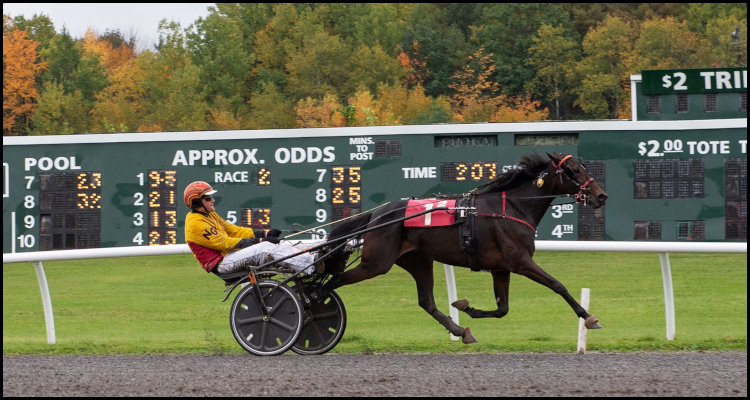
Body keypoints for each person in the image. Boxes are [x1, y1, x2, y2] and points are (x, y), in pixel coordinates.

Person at [183, 181, 320, 275]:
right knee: (265, 248)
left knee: (280, 244)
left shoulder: (210, 214)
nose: (213, 200)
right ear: (196, 202)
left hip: (230, 256)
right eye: (208, 198)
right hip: (222, 263)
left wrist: (265, 233)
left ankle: (312, 257)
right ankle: (312, 264)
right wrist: (259, 241)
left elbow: (235, 231)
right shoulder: (195, 223)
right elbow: (226, 243)